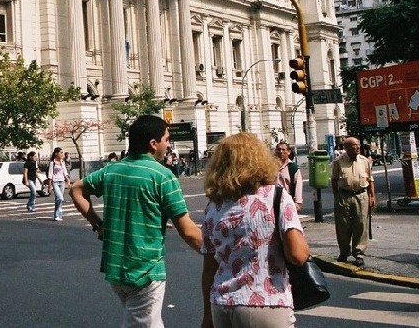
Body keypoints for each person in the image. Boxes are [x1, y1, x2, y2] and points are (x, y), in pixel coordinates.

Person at [70, 115, 202, 327]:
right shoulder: (162, 176)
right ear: (153, 143)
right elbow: (187, 231)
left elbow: (76, 189)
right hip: (145, 270)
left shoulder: (111, 170)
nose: (168, 145)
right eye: (166, 140)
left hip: (116, 268)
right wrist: (216, 252)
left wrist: (98, 224)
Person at [200, 133, 310, 328]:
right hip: (266, 302)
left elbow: (209, 267)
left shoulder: (213, 206)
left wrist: (207, 316)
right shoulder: (276, 196)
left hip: (222, 304)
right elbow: (298, 255)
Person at [330, 136, 374, 266]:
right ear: (346, 148)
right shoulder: (338, 161)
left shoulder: (364, 161)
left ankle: (359, 253)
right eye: (354, 145)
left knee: (361, 224)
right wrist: (336, 196)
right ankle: (344, 252)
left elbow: (370, 180)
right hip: (344, 196)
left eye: (358, 145)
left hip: (361, 195)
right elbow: (334, 179)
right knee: (343, 225)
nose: (358, 147)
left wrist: (372, 196)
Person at [275, 142, 303, 211]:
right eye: (279, 149)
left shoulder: (293, 168)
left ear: (288, 152)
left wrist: (298, 202)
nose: (281, 151)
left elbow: (298, 185)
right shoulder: (270, 166)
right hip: (273, 201)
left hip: (287, 202)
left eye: (283, 149)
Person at [47, 148, 70, 221]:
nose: (62, 154)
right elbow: (50, 175)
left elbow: (65, 172)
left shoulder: (62, 162)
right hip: (55, 182)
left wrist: (68, 180)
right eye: (61, 152)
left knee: (59, 199)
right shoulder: (52, 163)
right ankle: (57, 215)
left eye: (62, 152)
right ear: (56, 153)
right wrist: (50, 186)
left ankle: (58, 215)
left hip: (62, 182)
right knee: (60, 198)